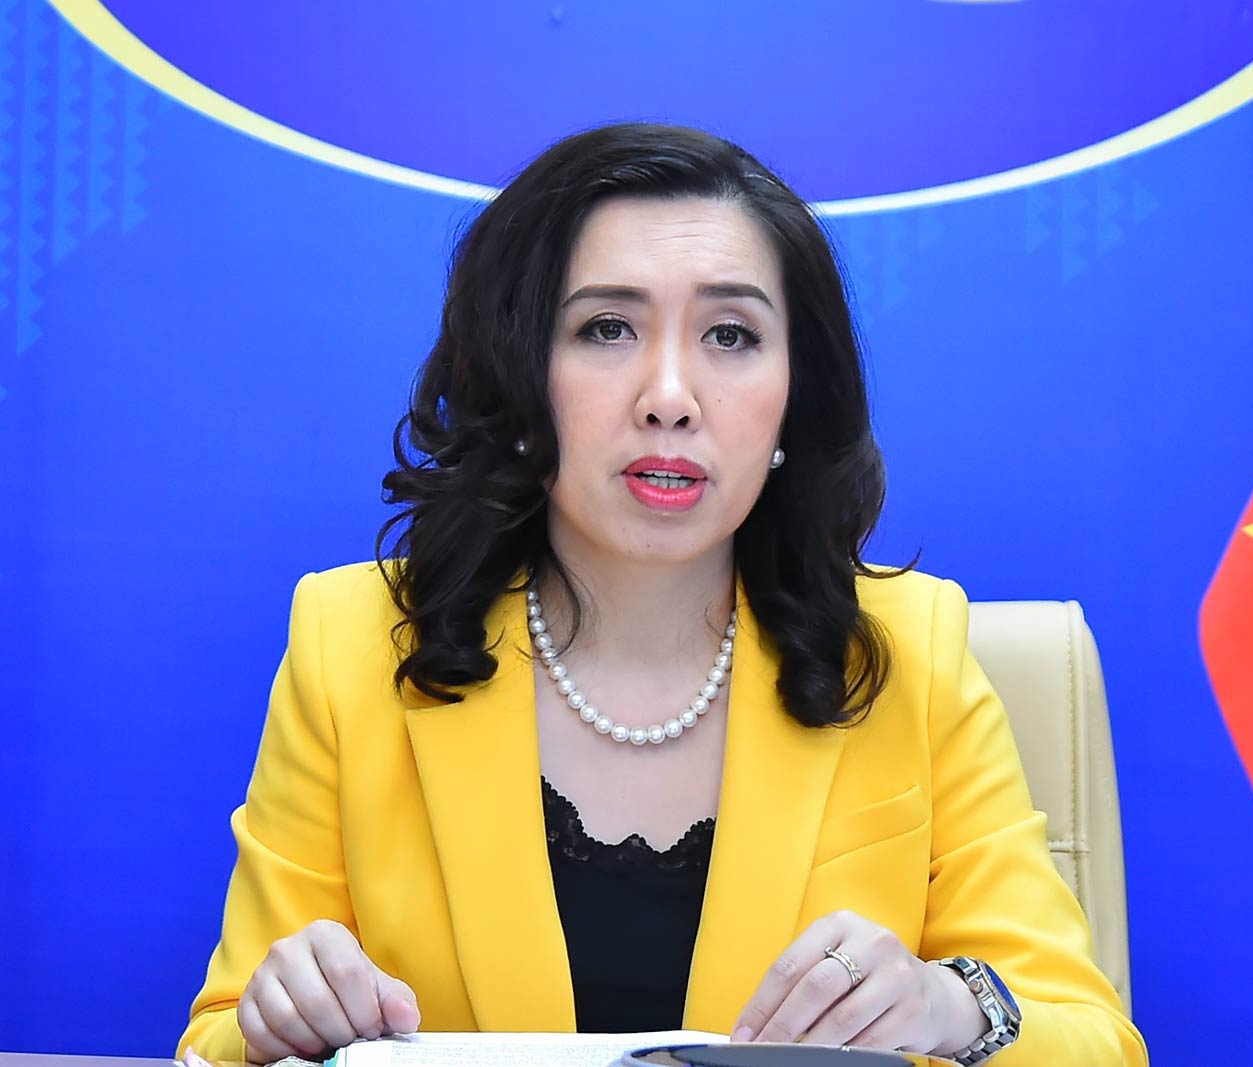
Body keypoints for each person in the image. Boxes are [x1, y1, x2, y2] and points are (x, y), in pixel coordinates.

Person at [178, 122, 1146, 1067]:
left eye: (731, 334)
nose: (671, 397)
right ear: (517, 376)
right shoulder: (354, 644)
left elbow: (1090, 1036)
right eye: (607, 328)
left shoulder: (906, 651)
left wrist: (947, 1006)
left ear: (793, 397)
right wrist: (279, 1018)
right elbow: (220, 1033)